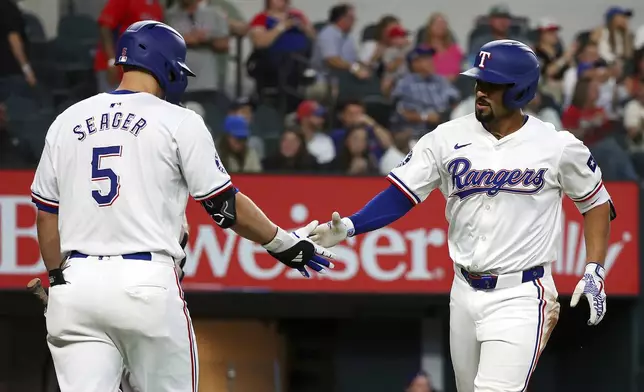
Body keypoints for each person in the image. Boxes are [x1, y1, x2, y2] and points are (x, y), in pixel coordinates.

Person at [30, 21, 334, 392]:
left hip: (75, 287)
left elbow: (46, 214)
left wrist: (59, 281)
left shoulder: (67, 120)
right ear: (166, 64)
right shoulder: (179, 120)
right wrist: (281, 242)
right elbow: (224, 205)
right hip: (145, 282)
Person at [309, 40, 613, 392]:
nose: (481, 92)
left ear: (521, 90)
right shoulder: (447, 137)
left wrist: (594, 270)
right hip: (463, 290)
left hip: (523, 293)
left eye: (493, 85)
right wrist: (349, 226)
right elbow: (400, 194)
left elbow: (596, 203)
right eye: (479, 83)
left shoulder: (557, 146)